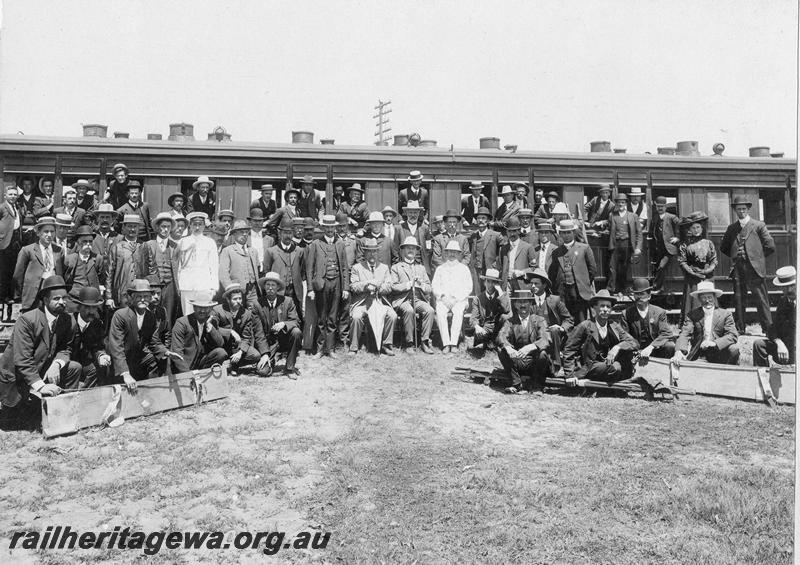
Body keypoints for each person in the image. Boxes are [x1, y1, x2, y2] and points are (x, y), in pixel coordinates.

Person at [0, 276, 82, 421]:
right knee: (15, 421)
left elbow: (66, 349)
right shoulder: (27, 320)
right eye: (56, 299)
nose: (62, 302)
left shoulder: (68, 320)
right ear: (45, 300)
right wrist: (41, 386)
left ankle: (63, 411)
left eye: (64, 298)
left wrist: (56, 365)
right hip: (16, 375)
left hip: (43, 367)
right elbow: (22, 360)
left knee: (74, 367)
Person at [107, 279, 178, 390]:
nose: (143, 300)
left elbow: (153, 341)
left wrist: (166, 352)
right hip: (120, 361)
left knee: (154, 360)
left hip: (137, 358)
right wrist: (125, 373)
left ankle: (150, 394)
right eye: (139, 296)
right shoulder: (121, 315)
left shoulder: (150, 316)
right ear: (131, 297)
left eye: (146, 296)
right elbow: (117, 347)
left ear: (150, 298)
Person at [719, 195, 776, 334]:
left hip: (754, 269)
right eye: (739, 209)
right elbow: (724, 247)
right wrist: (735, 255)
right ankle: (740, 328)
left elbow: (770, 246)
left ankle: (768, 329)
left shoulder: (758, 225)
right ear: (735, 210)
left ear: (748, 209)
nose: (741, 211)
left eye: (744, 208)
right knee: (739, 299)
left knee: (761, 299)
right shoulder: (732, 228)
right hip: (738, 268)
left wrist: (756, 258)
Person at [562, 289, 639, 384]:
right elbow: (569, 349)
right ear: (595, 307)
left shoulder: (613, 325)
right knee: (615, 368)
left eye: (608, 306)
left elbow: (634, 343)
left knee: (624, 362)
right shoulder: (585, 326)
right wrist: (569, 375)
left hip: (607, 364)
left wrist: (617, 347)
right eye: (602, 306)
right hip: (589, 366)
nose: (605, 309)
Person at [306, 214, 350, 358]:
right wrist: (311, 289)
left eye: (332, 227)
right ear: (323, 228)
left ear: (335, 228)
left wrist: (345, 288)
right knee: (321, 318)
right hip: (321, 285)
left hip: (336, 284)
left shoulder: (340, 244)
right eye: (327, 227)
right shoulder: (315, 244)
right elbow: (309, 269)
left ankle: (330, 349)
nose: (330, 230)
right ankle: (319, 349)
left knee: (332, 317)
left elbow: (344, 267)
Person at [496, 289, 551, 395]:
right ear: (515, 304)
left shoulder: (539, 320)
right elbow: (501, 335)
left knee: (543, 354)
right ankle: (516, 384)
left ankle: (536, 386)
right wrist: (508, 347)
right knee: (501, 350)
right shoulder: (510, 321)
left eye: (525, 302)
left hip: (534, 362)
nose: (522, 305)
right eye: (519, 302)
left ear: (530, 303)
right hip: (518, 361)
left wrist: (531, 347)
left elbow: (546, 339)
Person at [348, 240, 397, 355]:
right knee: (356, 316)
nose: (372, 254)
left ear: (378, 253)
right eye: (369, 252)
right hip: (362, 302)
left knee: (392, 315)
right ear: (364, 253)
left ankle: (386, 344)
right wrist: (366, 285)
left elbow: (389, 286)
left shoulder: (384, 268)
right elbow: (353, 286)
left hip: (379, 301)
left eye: (374, 252)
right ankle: (354, 346)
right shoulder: (357, 268)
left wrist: (378, 288)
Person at [251, 272, 303, 378]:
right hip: (268, 342)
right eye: (268, 285)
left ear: (278, 287)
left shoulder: (287, 301)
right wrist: (265, 353)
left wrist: (284, 324)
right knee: (263, 372)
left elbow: (296, 321)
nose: (270, 288)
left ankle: (289, 368)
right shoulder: (257, 304)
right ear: (264, 287)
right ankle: (271, 358)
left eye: (273, 285)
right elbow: (258, 332)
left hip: (284, 339)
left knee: (296, 332)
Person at [673, 281, 739, 365]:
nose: (707, 300)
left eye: (710, 297)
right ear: (699, 299)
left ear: (715, 298)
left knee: (734, 349)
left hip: (719, 351)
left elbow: (732, 335)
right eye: (704, 298)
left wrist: (715, 343)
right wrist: (679, 350)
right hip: (700, 352)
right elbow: (685, 333)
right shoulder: (692, 315)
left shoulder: (725, 314)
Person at [391, 237, 435, 354]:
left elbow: (429, 288)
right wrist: (409, 284)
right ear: (402, 250)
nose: (411, 250)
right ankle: (409, 343)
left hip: (418, 299)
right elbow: (393, 287)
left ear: (416, 251)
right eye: (408, 248)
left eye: (413, 248)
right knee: (409, 310)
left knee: (429, 310)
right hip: (402, 300)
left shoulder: (421, 268)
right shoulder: (396, 267)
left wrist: (421, 285)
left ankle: (424, 342)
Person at [13, 216, 66, 312]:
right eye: (46, 231)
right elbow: (18, 275)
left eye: (52, 231)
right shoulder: (27, 250)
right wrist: (22, 295)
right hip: (33, 295)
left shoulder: (59, 251)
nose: (49, 235)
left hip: (52, 294)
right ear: (38, 233)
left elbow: (61, 273)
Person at [548, 219, 596, 323]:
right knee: (566, 320)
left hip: (580, 293)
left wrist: (583, 282)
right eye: (563, 233)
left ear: (573, 233)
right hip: (563, 294)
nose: (566, 235)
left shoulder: (584, 248)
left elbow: (592, 270)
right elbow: (553, 273)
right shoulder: (556, 252)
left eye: (568, 232)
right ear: (560, 234)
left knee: (582, 321)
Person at [173, 211, 219, 314]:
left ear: (204, 226)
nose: (197, 228)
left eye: (200, 224)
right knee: (188, 314)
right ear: (190, 225)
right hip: (187, 285)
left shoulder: (210, 242)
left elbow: (214, 266)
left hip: (204, 285)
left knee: (203, 314)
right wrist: (179, 286)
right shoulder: (183, 241)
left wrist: (213, 287)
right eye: (195, 224)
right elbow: (179, 266)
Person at [432, 240, 473, 353]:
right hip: (443, 300)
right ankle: (446, 343)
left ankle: (454, 343)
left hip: (459, 300)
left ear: (459, 254)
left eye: (455, 252)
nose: (452, 254)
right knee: (440, 312)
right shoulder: (440, 269)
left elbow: (468, 287)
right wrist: (443, 297)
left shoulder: (464, 269)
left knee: (458, 312)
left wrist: (456, 298)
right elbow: (435, 285)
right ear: (446, 253)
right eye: (450, 252)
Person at [621, 278, 675, 361]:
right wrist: (636, 349)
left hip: (655, 349)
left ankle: (664, 369)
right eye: (636, 294)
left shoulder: (659, 312)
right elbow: (624, 336)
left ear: (649, 296)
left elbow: (666, 333)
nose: (639, 297)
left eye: (642, 294)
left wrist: (651, 347)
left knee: (670, 346)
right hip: (635, 350)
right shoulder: (626, 314)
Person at [264, 216, 305, 323]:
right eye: (285, 233)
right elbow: (266, 272)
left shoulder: (299, 251)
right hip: (278, 292)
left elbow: (302, 271)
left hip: (295, 292)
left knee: (296, 320)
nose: (288, 236)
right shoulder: (271, 251)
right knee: (277, 319)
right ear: (280, 233)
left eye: (290, 232)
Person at [677, 211, 717, 321]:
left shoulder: (708, 243)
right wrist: (693, 272)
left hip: (707, 276)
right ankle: (692, 325)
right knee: (693, 301)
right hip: (692, 277)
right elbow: (682, 262)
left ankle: (710, 323)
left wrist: (707, 270)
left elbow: (714, 260)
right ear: (690, 229)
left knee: (708, 298)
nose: (696, 230)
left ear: (702, 228)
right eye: (693, 228)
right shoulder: (685, 245)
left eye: (698, 227)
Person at [524, 268, 574, 358]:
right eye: (531, 283)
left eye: (536, 283)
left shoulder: (555, 300)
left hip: (553, 337)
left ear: (544, 285)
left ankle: (556, 363)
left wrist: (561, 328)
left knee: (554, 330)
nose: (533, 286)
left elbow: (569, 319)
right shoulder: (528, 301)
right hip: (535, 337)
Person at [171, 297, 228, 373]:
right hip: (185, 365)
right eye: (199, 307)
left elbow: (220, 343)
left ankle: (204, 375)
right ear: (194, 307)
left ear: (210, 309)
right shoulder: (182, 323)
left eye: (206, 308)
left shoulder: (211, 321)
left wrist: (211, 329)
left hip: (200, 363)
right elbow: (177, 353)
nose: (202, 311)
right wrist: (188, 375)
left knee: (220, 353)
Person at [213, 283, 261, 373]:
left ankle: (232, 364)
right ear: (227, 299)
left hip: (237, 347)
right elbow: (213, 329)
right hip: (222, 345)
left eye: (240, 298)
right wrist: (230, 332)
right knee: (219, 353)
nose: (238, 301)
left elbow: (246, 337)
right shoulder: (217, 310)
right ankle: (221, 363)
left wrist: (240, 352)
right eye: (235, 299)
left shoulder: (246, 314)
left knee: (256, 355)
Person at [68, 286, 111, 388]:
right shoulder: (69, 322)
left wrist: (101, 356)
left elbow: (98, 346)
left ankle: (86, 397)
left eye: (94, 307)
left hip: (84, 365)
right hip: (68, 365)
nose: (91, 312)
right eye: (87, 307)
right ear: (79, 307)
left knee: (98, 368)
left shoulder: (96, 324)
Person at [753, 266, 795, 367]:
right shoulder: (783, 301)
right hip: (785, 349)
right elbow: (772, 328)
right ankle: (763, 378)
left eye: (792, 285)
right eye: (784, 287)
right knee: (759, 345)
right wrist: (778, 342)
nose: (789, 290)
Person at [142, 212, 179, 323]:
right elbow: (144, 268)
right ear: (157, 228)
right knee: (152, 313)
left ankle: (167, 338)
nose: (166, 230)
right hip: (154, 285)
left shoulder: (175, 246)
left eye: (168, 227)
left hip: (170, 286)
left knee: (168, 315)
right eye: (163, 226)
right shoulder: (149, 244)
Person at [104, 214, 146, 310]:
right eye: (129, 226)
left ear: (139, 228)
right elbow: (109, 274)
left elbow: (150, 270)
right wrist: (109, 297)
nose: (132, 229)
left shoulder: (144, 246)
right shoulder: (117, 247)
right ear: (124, 227)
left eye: (135, 226)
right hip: (122, 294)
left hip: (140, 294)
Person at [464, 268, 511, 350]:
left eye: (493, 282)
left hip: (497, 328)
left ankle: (498, 342)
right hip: (484, 328)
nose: (490, 284)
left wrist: (500, 291)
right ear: (484, 282)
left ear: (496, 284)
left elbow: (507, 310)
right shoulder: (478, 299)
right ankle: (486, 343)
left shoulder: (502, 296)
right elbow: (473, 318)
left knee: (505, 317)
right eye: (488, 281)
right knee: (481, 336)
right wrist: (477, 326)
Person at [218, 219, 261, 308]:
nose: (245, 234)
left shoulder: (253, 251)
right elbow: (223, 274)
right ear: (234, 234)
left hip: (253, 291)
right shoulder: (228, 251)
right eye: (241, 232)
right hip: (237, 291)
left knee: (254, 313)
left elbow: (257, 269)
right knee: (238, 314)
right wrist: (231, 290)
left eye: (246, 232)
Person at [606, 193, 642, 294]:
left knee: (625, 267)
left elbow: (639, 233)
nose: (621, 204)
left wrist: (638, 247)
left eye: (623, 202)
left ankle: (624, 289)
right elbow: (609, 229)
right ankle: (611, 289)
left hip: (627, 244)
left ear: (626, 203)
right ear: (616, 204)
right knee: (612, 267)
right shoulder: (612, 215)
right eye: (618, 202)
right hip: (615, 244)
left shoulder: (633, 216)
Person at [648, 196, 680, 292]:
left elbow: (683, 227)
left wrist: (678, 238)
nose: (660, 208)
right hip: (659, 249)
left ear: (666, 207)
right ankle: (661, 288)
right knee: (658, 267)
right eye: (658, 206)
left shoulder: (672, 217)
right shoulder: (655, 218)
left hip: (669, 249)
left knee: (661, 266)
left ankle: (656, 287)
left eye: (662, 206)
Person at [0, 186, 21, 320]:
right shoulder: (2, 207)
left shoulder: (16, 208)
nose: (13, 196)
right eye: (10, 194)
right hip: (4, 244)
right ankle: (3, 297)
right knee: (4, 272)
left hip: (15, 243)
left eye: (15, 194)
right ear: (5, 195)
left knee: (14, 271)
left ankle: (12, 296)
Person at [468, 207, 500, 294]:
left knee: (490, 294)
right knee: (478, 295)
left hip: (489, 271)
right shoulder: (473, 236)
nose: (481, 220)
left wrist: (496, 265)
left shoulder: (495, 235)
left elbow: (503, 252)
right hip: (476, 272)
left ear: (488, 220)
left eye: (483, 218)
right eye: (478, 218)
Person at [498, 217, 536, 291]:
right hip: (506, 285)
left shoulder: (528, 247)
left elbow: (534, 268)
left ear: (519, 231)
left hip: (522, 284)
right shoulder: (503, 248)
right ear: (506, 232)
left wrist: (522, 272)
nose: (512, 234)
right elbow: (500, 268)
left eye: (514, 231)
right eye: (509, 231)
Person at [63, 225, 103, 293]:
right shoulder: (69, 259)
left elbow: (101, 279)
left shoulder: (98, 258)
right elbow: (65, 279)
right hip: (73, 297)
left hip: (91, 297)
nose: (88, 244)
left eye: (90, 241)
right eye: (84, 241)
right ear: (78, 242)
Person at [397, 202, 432, 276]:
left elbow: (429, 248)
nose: (413, 215)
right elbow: (395, 250)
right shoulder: (399, 228)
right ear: (406, 213)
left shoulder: (425, 228)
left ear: (419, 213)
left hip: (421, 266)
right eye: (410, 212)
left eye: (415, 212)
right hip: (403, 267)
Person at [16, 177, 39, 246]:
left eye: (29, 184)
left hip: (34, 228)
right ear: (22, 186)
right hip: (21, 229)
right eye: (24, 184)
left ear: (32, 186)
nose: (26, 186)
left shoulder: (37, 198)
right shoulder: (18, 199)